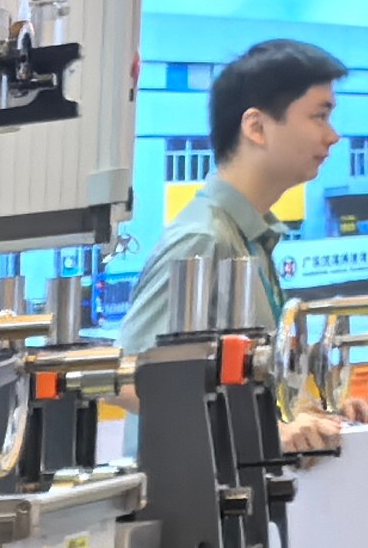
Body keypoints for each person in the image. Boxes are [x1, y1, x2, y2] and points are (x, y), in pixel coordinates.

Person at [126, 38, 344, 446]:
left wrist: (304, 414)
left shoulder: (252, 238)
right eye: (319, 116)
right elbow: (127, 377)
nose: (333, 136)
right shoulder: (203, 238)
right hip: (188, 485)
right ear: (256, 127)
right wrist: (265, 433)